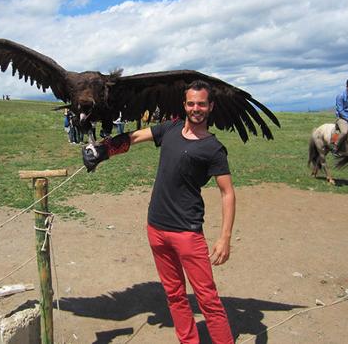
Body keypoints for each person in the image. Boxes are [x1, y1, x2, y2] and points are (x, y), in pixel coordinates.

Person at [83, 80, 235, 343]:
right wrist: (104, 150)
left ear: (210, 107)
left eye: (201, 104)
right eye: (191, 103)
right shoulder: (171, 128)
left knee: (208, 300)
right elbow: (134, 137)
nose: (196, 108)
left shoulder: (213, 148)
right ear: (184, 105)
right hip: (156, 228)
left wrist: (225, 237)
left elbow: (228, 193)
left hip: (188, 233)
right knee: (174, 295)